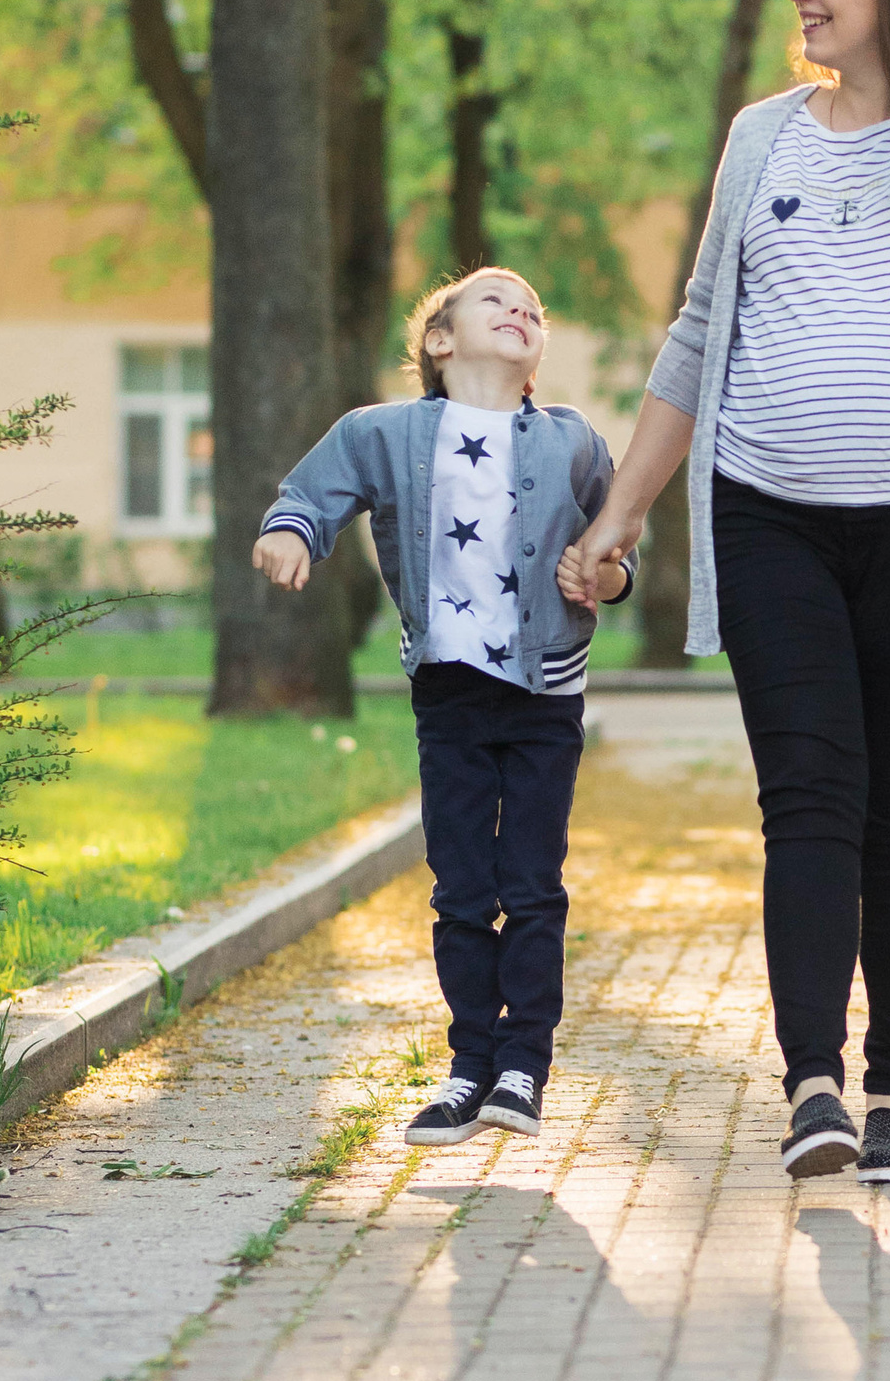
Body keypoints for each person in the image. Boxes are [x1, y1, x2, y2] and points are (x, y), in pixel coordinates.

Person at [563, 0, 890, 1187]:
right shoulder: (761, 139)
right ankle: (814, 1082)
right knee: (810, 799)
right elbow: (699, 329)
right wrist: (621, 513)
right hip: (770, 519)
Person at [255, 266, 635, 1146]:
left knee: (532, 885)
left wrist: (607, 573)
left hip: (546, 691)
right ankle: (468, 1065)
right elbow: (316, 489)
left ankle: (520, 1068)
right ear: (439, 341)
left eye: (534, 310)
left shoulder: (573, 440)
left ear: (536, 358)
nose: (521, 311)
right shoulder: (384, 432)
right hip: (450, 693)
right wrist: (289, 529)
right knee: (463, 887)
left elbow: (618, 550)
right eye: (496, 301)